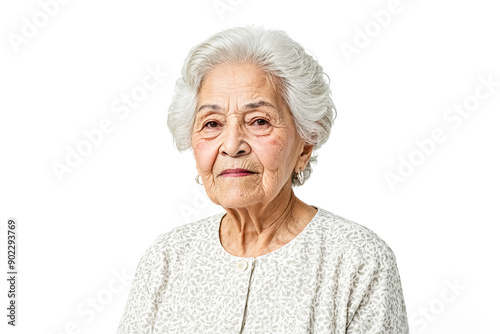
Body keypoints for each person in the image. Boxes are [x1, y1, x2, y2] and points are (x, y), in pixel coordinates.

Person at [116, 25, 409, 333]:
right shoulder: (166, 259)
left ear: (305, 145)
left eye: (259, 121)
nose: (231, 145)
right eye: (212, 123)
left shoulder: (358, 261)